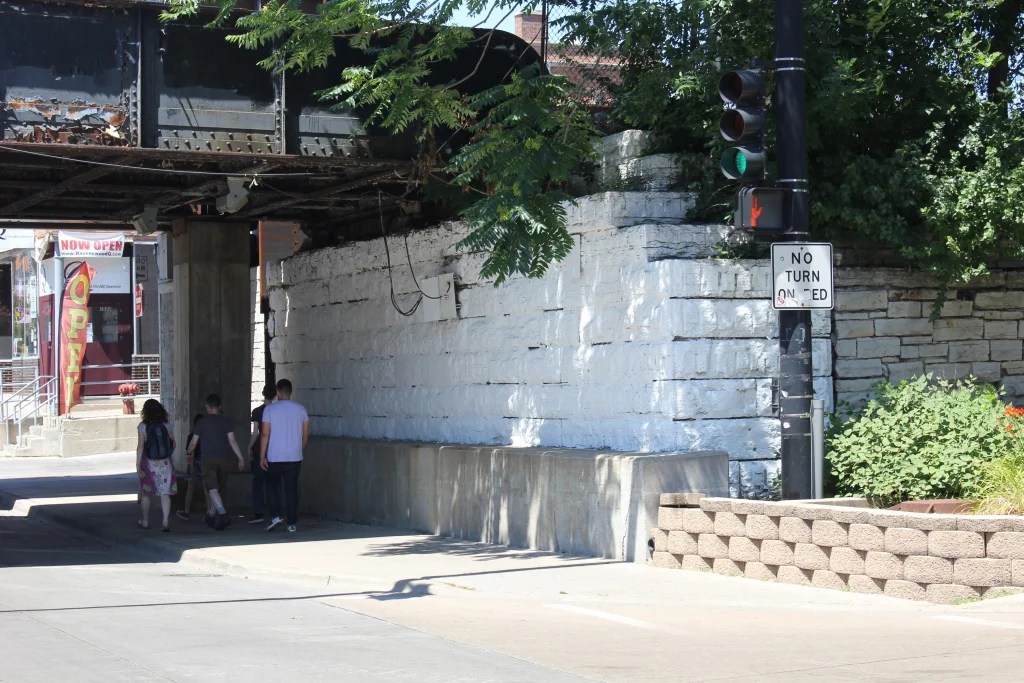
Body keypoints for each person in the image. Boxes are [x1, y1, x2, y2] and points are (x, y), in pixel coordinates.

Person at [187, 393, 245, 530]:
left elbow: (193, 443)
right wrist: (240, 458)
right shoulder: (225, 422)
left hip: (208, 460)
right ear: (220, 407)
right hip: (224, 459)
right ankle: (211, 516)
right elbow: (232, 441)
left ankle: (223, 515)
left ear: (207, 407)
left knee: (212, 489)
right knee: (218, 489)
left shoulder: (201, 422)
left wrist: (189, 452)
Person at [260, 379, 309, 533]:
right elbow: (305, 435)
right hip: (294, 457)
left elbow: (265, 434)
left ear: (278, 392)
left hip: (274, 456)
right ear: (290, 391)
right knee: (291, 490)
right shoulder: (301, 409)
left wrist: (262, 455)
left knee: (272, 487)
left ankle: (275, 516)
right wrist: (299, 449)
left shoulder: (269, 410)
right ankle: (292, 523)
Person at [136, 398, 177, 532]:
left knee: (146, 493)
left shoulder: (143, 426)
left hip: (148, 463)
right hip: (166, 463)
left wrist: (138, 465)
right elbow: (173, 443)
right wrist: (167, 454)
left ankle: (145, 521)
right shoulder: (166, 424)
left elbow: (140, 447)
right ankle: (165, 521)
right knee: (165, 492)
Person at [247, 385, 276, 524]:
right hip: (275, 448)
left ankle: (258, 512)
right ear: (276, 395)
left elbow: (255, 433)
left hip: (260, 449)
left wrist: (249, 447)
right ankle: (275, 512)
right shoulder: (277, 411)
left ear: (263, 394)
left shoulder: (257, 411)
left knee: (258, 481)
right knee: (273, 482)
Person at [175, 414, 208, 521]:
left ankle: (186, 511)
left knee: (190, 487)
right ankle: (209, 512)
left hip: (195, 462)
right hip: (206, 461)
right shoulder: (207, 435)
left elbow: (190, 452)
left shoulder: (192, 435)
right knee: (207, 488)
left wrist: (190, 466)